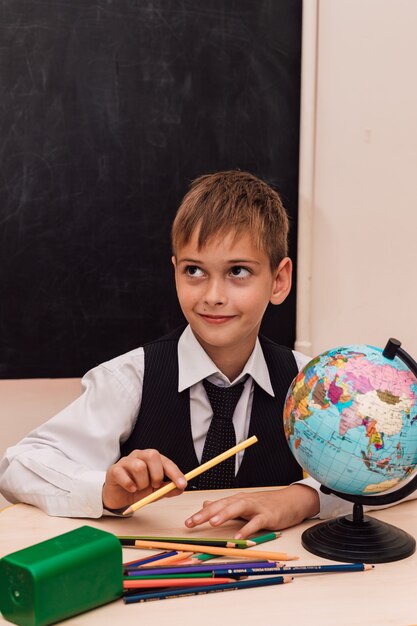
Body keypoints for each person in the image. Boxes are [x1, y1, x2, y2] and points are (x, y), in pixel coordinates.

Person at [1, 170, 410, 537]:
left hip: (275, 588)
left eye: (238, 272)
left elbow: (400, 462)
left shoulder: (312, 385)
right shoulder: (131, 378)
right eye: (194, 271)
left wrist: (304, 498)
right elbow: (18, 466)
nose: (213, 296)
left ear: (279, 280)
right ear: (175, 271)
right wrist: (105, 489)